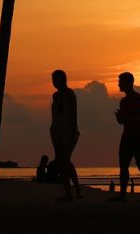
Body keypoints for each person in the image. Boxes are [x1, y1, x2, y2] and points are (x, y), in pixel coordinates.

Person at [112, 71, 140, 202]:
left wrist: (125, 118)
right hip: (127, 136)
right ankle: (122, 194)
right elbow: (121, 122)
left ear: (128, 83)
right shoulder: (123, 101)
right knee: (123, 165)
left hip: (139, 137)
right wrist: (120, 118)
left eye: (120, 81)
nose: (118, 84)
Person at [50, 69, 82, 200]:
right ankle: (76, 191)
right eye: (53, 80)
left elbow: (73, 115)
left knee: (64, 162)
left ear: (63, 79)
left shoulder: (69, 94)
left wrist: (72, 133)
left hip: (68, 133)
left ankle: (70, 193)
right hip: (57, 133)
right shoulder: (55, 96)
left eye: (56, 79)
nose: (54, 82)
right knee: (64, 162)